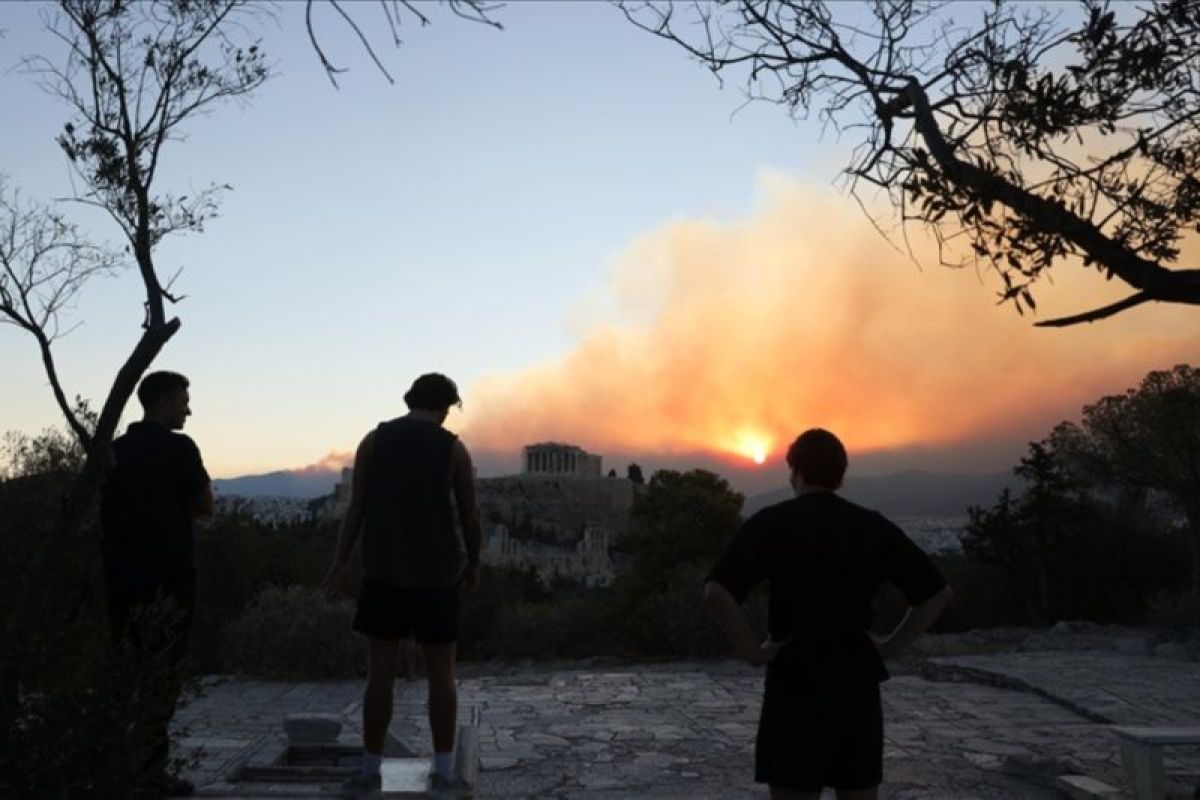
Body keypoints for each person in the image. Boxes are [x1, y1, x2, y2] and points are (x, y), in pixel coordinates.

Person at [705, 428, 953, 800]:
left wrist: (753, 652)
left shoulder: (772, 522)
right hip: (857, 686)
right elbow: (937, 594)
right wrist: (891, 647)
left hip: (795, 686)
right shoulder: (872, 526)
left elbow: (716, 591)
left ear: (796, 472)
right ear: (841, 476)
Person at [325, 373, 482, 796]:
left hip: (384, 572)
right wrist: (474, 562)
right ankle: (445, 771)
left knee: (380, 676)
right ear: (446, 406)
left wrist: (341, 561)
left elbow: (356, 508)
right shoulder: (453, 449)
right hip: (437, 574)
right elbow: (469, 514)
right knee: (442, 677)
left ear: (410, 400)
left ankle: (369, 770)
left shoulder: (373, 442)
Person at [100, 370, 213, 797]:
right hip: (170, 578)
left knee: (123, 671)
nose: (189, 409)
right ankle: (150, 769)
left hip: (119, 576)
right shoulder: (180, 448)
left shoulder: (116, 450)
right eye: (184, 400)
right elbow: (205, 505)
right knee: (162, 674)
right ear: (163, 401)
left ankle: (112, 761)